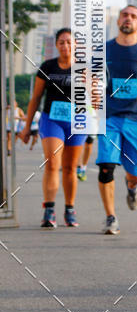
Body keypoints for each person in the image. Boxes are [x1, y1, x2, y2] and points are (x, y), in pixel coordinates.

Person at [96, 5, 137, 235]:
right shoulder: (104, 49)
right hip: (110, 116)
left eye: (134, 16)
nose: (128, 19)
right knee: (106, 167)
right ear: (118, 21)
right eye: (125, 15)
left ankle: (132, 186)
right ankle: (110, 217)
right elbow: (89, 78)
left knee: (136, 173)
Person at [19, 28, 86, 227]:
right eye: (62, 42)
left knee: (70, 168)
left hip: (77, 122)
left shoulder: (84, 68)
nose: (65, 46)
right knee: (52, 163)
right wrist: (26, 126)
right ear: (56, 45)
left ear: (76, 45)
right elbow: (36, 98)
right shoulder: (48, 66)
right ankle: (49, 210)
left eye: (69, 42)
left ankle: (69, 208)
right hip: (52, 120)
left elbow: (96, 99)